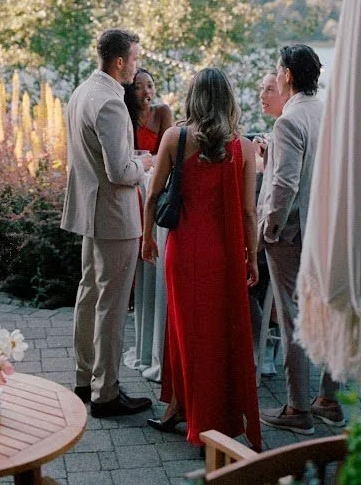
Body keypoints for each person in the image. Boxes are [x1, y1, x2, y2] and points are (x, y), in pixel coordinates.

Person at [142, 67, 262, 450]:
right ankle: (191, 410)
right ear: (228, 99)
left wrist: (147, 238)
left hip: (183, 249)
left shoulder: (174, 138)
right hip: (224, 254)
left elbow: (153, 194)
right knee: (216, 336)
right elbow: (248, 212)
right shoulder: (241, 146)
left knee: (182, 332)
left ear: (193, 97)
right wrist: (252, 258)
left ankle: (188, 411)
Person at [61, 28, 153, 417]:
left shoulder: (83, 92)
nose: (137, 64)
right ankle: (107, 393)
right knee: (112, 306)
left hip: (88, 209)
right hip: (114, 216)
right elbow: (119, 171)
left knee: (89, 296)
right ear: (119, 61)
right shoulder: (112, 103)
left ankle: (85, 379)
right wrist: (144, 163)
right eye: (135, 58)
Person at [257, 45, 342, 434]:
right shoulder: (327, 112)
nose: (274, 76)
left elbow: (285, 184)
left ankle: (297, 409)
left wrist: (269, 228)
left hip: (293, 234)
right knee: (328, 310)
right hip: (327, 227)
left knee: (293, 319)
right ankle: (327, 398)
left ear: (288, 74)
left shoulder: (288, 122)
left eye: (278, 69)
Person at [123, 70, 173, 380]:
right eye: (139, 87)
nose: (146, 92)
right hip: (134, 188)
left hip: (154, 185)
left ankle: (151, 337)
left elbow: (168, 153)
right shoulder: (125, 117)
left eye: (150, 86)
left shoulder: (163, 112)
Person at [249, 71, 285, 377]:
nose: (263, 95)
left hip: (280, 229)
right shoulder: (279, 131)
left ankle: (266, 343)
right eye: (261, 89)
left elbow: (280, 188)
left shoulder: (288, 126)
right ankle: (264, 342)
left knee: (249, 270)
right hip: (278, 228)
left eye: (269, 89)